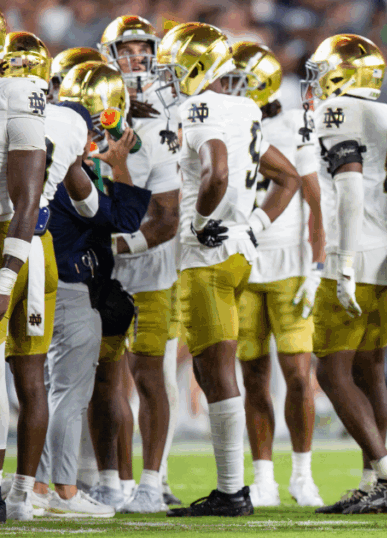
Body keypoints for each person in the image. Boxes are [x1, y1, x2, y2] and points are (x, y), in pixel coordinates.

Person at [156, 22, 300, 517]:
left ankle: (232, 491)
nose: (170, 78)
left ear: (197, 67)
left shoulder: (199, 108)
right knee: (211, 365)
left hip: (209, 255)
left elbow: (216, 171)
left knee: (215, 369)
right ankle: (232, 488)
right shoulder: (244, 107)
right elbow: (286, 176)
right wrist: (254, 225)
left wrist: (199, 222)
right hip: (237, 250)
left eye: (176, 68)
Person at [303, 34, 387, 516]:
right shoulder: (385, 112)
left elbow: (349, 190)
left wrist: (344, 263)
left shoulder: (337, 111)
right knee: (371, 372)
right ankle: (371, 481)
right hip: (384, 255)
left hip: (350, 256)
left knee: (332, 372)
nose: (315, 82)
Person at [34, 61, 151, 518]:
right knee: (68, 394)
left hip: (39, 280)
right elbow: (122, 219)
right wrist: (119, 167)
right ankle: (63, 490)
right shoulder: (68, 166)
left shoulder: (39, 140)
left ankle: (35, 485)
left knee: (41, 391)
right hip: (69, 287)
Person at [221, 42, 325, 509]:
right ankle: (263, 476)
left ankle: (302, 473)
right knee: (252, 373)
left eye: (238, 81)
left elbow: (314, 199)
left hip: (288, 261)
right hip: (243, 260)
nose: (229, 88)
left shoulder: (293, 122)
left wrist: (317, 265)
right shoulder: (227, 120)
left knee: (299, 374)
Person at [88, 15, 181, 512]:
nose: (137, 59)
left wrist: (120, 246)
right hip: (98, 268)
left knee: (150, 375)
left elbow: (167, 217)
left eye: (143, 49)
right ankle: (111, 481)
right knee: (102, 377)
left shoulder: (165, 120)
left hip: (148, 268)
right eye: (126, 51)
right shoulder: (83, 120)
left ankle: (151, 481)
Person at [0, 30, 63, 523]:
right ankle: (20, 495)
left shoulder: (18, 91)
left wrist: (6, 279)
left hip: (16, 243)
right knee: (29, 377)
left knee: (26, 377)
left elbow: (27, 197)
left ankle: (15, 494)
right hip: (31, 244)